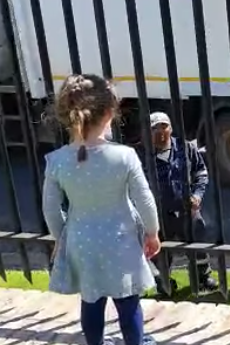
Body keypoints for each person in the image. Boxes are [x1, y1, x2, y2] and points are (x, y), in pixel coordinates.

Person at [43, 74, 160, 345]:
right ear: (109, 113)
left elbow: (50, 208)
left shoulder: (57, 161)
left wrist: (61, 237)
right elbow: (144, 198)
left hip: (81, 242)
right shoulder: (124, 156)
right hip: (121, 242)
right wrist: (152, 232)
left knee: (91, 300)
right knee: (128, 302)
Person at [136, 111, 218, 295]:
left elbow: (200, 172)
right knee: (160, 249)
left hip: (186, 209)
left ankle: (203, 278)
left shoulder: (186, 147)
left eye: (164, 126)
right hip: (158, 213)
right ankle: (164, 282)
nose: (160, 132)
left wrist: (197, 195)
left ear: (171, 128)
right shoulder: (140, 155)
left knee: (197, 241)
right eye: (154, 128)